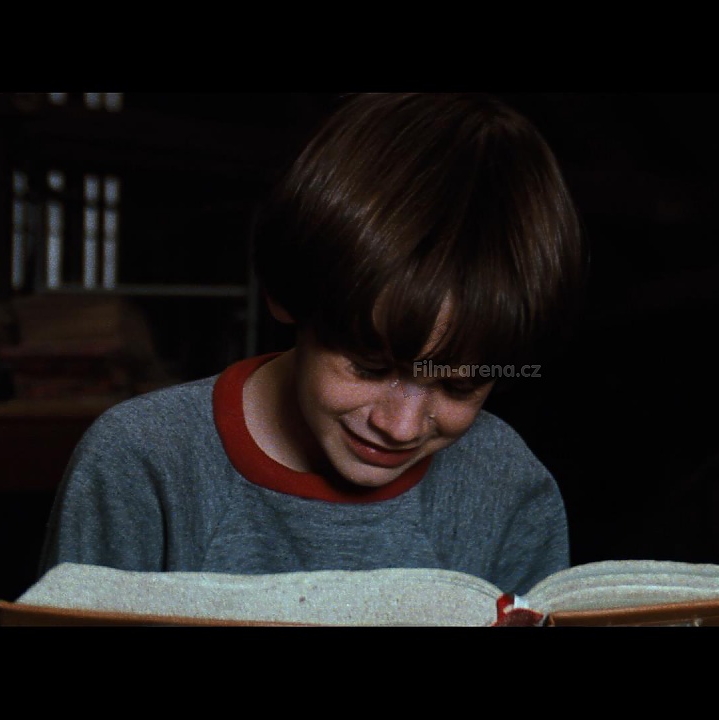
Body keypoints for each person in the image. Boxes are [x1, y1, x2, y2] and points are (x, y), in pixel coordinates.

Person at [38, 93, 587, 596]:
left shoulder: (509, 488)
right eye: (370, 367)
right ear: (285, 295)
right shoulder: (141, 463)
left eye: (459, 386)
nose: (400, 427)